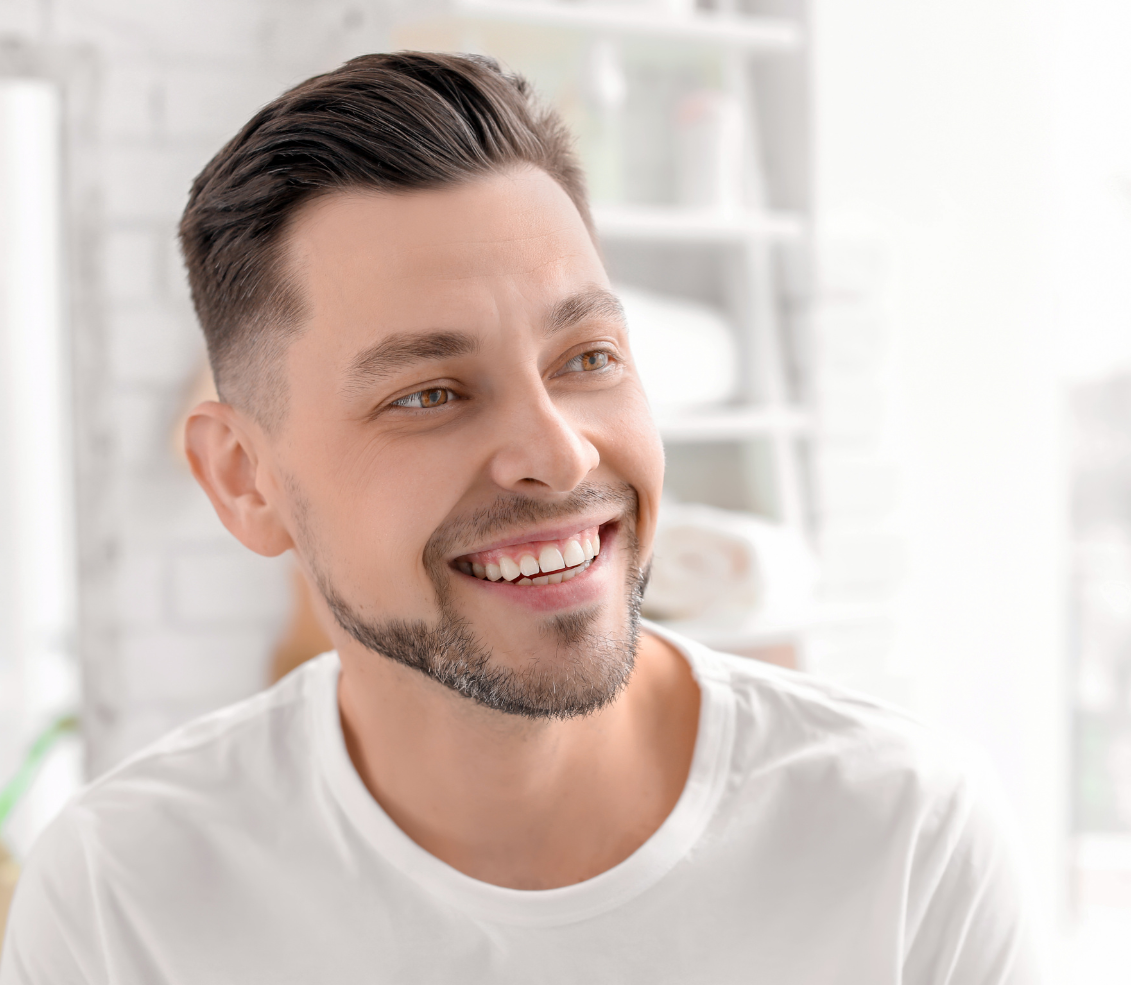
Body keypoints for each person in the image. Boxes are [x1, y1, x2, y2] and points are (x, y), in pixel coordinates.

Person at [0, 53, 1038, 984]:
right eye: (428, 393)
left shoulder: (900, 838)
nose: (560, 452)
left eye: (586, 359)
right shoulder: (124, 898)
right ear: (243, 481)